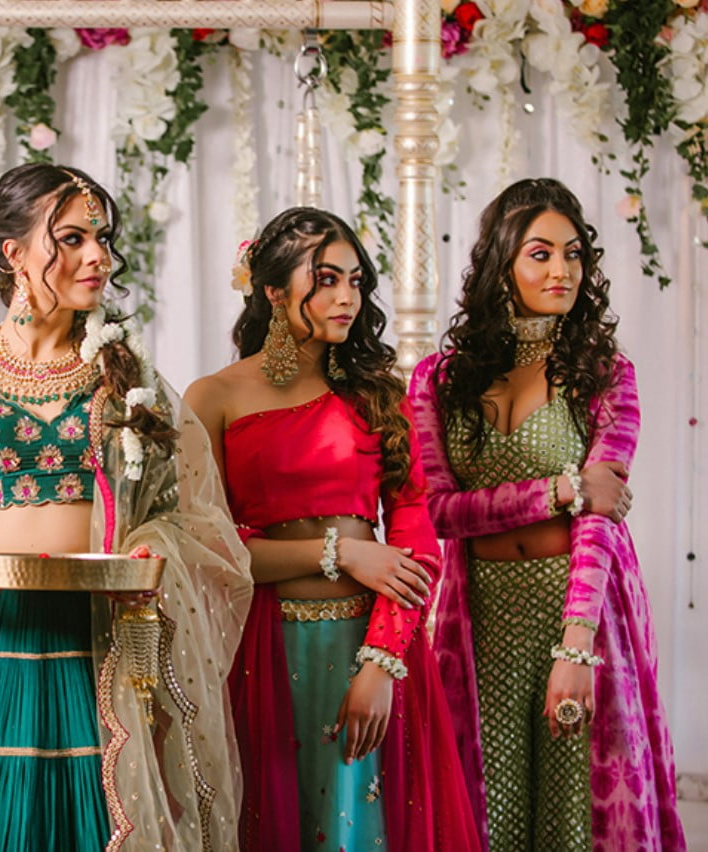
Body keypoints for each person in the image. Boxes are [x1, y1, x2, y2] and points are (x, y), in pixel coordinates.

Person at [0, 163, 252, 850]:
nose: (98, 257)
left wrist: (153, 550)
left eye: (101, 238)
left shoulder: (130, 384)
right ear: (12, 254)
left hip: (96, 656)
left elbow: (186, 515)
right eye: (72, 239)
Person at [187, 207, 479, 850]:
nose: (346, 296)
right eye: (325, 279)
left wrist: (381, 664)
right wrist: (341, 551)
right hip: (264, 653)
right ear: (272, 291)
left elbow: (414, 536)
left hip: (374, 646)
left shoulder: (376, 392)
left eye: (355, 280)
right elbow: (209, 551)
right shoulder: (214, 398)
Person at [409, 178, 685, 850]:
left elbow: (600, 519)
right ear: (503, 261)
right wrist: (562, 488)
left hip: (582, 609)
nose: (561, 270)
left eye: (573, 254)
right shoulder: (440, 380)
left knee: (575, 815)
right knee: (488, 810)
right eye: (540, 253)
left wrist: (576, 646)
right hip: (481, 616)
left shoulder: (602, 372)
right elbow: (444, 513)